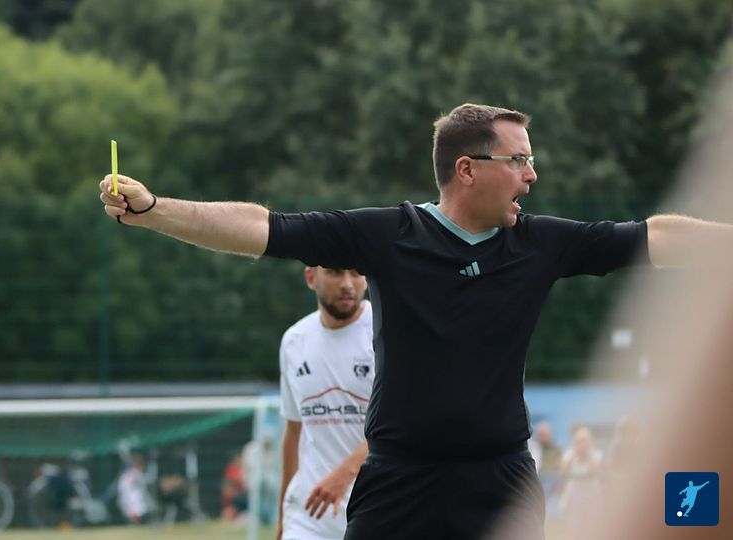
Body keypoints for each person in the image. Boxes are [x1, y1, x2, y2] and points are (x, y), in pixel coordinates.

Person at [99, 103, 733, 539]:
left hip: (502, 483)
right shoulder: (389, 234)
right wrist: (154, 209)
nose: (532, 174)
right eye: (518, 160)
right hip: (399, 484)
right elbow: (264, 227)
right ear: (468, 169)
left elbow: (656, 236)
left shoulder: (542, 243)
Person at [276, 266, 373, 540]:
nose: (347, 284)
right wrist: (283, 519)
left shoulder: (388, 333)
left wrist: (345, 474)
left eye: (356, 273)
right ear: (311, 278)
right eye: (335, 272)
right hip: (309, 520)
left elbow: (402, 424)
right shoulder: (294, 341)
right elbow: (293, 433)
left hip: (377, 512)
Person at [559, 425, 603, 540]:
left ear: (590, 441)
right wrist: (575, 453)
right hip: (574, 496)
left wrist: (587, 454)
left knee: (592, 528)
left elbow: (594, 470)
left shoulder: (596, 454)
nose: (581, 444)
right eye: (578, 440)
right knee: (575, 529)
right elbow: (563, 471)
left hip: (593, 496)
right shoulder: (569, 454)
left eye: (584, 440)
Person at [117, 453, 155, 524]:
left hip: (141, 505)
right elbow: (125, 494)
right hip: (135, 506)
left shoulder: (136, 474)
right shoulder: (132, 475)